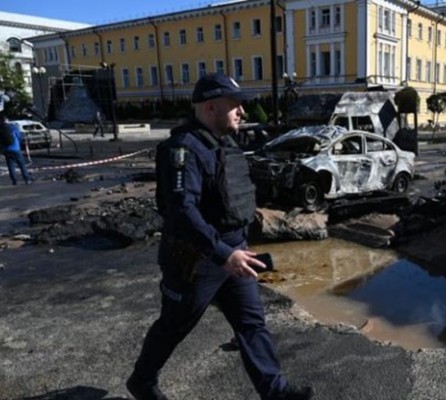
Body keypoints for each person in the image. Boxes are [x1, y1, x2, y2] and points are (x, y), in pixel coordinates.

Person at [126, 73, 314, 400]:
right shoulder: (182, 151)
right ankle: (141, 382)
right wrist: (223, 254)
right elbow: (182, 212)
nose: (242, 112)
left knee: (252, 324)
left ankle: (276, 393)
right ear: (212, 107)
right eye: (235, 105)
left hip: (234, 252)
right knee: (174, 326)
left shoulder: (225, 142)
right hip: (196, 261)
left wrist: (238, 245)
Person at [0, 115, 31, 185]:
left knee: (10, 165)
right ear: (7, 120)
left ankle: (14, 180)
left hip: (6, 149)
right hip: (15, 148)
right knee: (22, 164)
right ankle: (27, 179)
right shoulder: (13, 127)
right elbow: (19, 136)